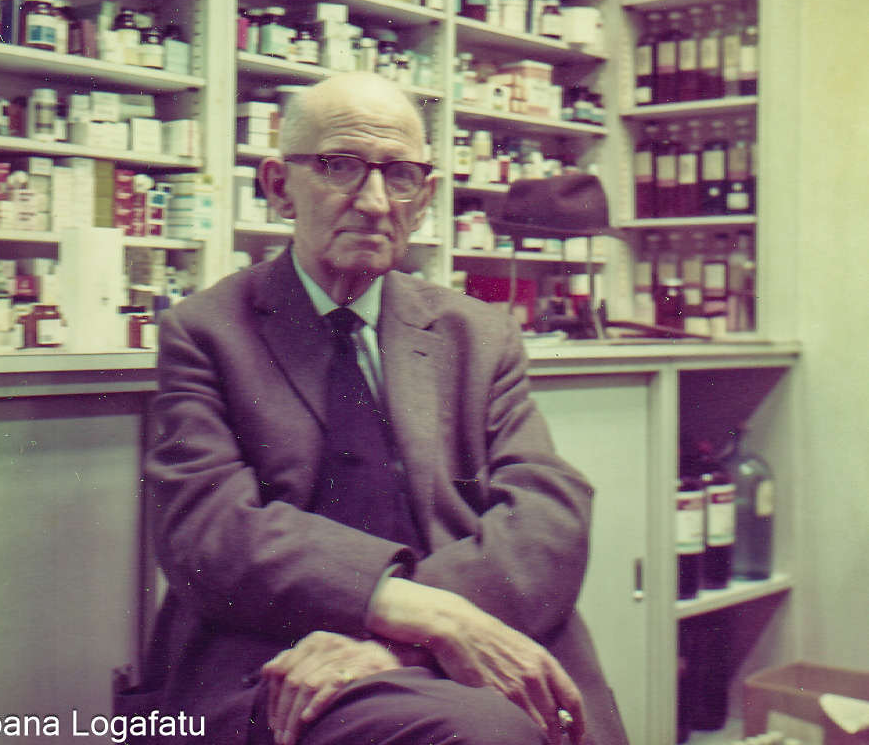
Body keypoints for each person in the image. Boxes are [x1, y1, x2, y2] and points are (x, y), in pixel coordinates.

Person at [139, 72, 629, 745]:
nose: (373, 201)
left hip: (460, 639)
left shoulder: (475, 333)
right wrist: (410, 612)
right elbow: (209, 531)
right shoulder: (208, 331)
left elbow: (550, 518)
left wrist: (417, 635)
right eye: (341, 167)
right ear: (279, 185)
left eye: (399, 175)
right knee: (487, 733)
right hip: (279, 657)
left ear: (424, 200)